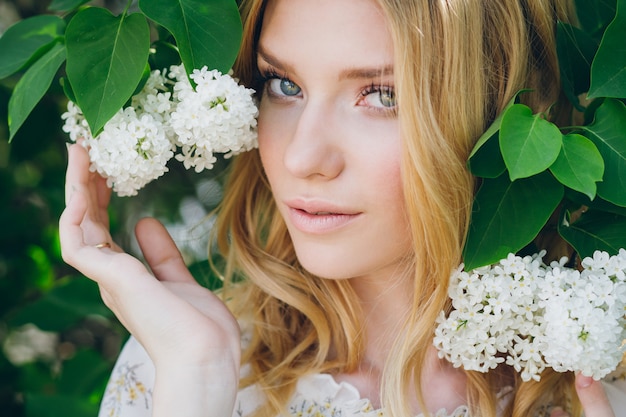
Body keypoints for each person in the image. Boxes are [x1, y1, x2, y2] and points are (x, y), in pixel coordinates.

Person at [59, 0, 626, 416]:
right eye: (283, 84)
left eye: (382, 95)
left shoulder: (600, 382)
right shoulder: (176, 362)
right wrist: (198, 383)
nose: (303, 157)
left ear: (508, 114)